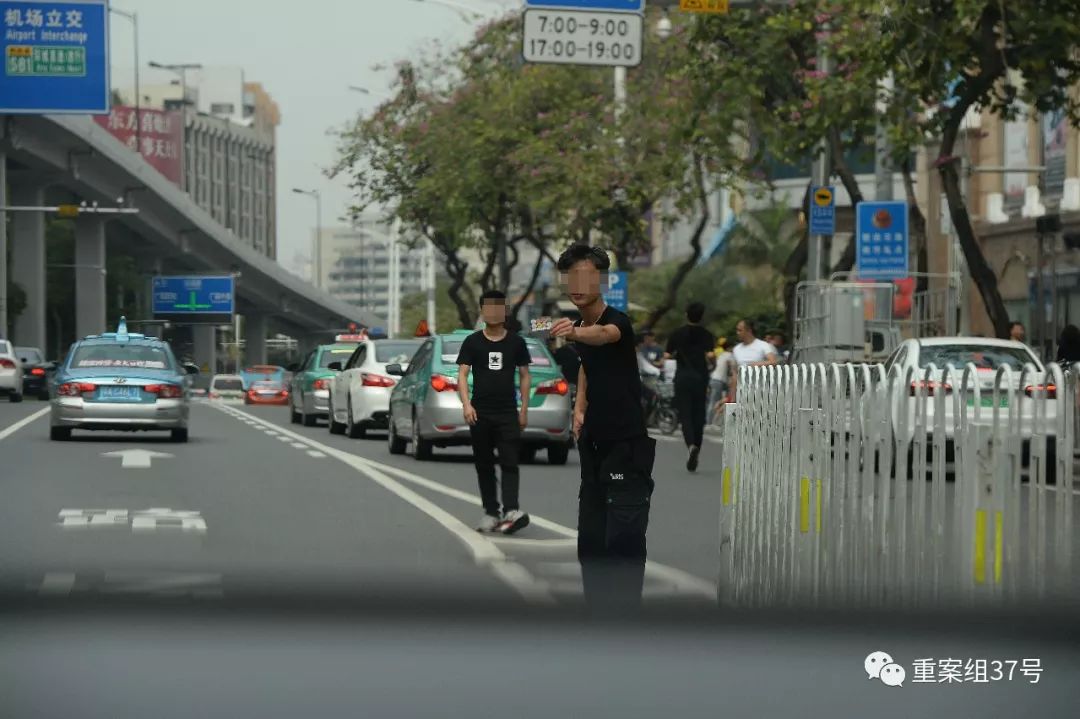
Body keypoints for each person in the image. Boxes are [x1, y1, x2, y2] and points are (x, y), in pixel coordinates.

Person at [550, 244, 654, 609]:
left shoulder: (617, 321)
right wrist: (579, 406)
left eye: (586, 276)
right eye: (571, 277)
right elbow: (586, 365)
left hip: (625, 446)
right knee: (591, 543)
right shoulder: (580, 326)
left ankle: (625, 620)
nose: (577, 285)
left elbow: (604, 336)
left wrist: (575, 335)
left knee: (623, 541)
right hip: (593, 447)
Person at [456, 290, 532, 535]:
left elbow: (525, 375)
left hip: (508, 412)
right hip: (480, 413)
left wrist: (523, 409)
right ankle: (491, 512)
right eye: (489, 307)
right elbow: (462, 374)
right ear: (482, 311)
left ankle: (511, 510)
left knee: (510, 461)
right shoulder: (472, 342)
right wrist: (466, 404)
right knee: (484, 464)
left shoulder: (517, 342)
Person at [665, 302, 715, 472]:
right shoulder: (707, 335)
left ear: (686, 314)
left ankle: (691, 445)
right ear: (701, 316)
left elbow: (667, 355)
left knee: (685, 414)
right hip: (700, 377)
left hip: (682, 377)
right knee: (698, 414)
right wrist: (712, 364)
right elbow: (711, 355)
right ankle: (697, 448)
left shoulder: (676, 334)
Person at [731, 320, 778, 398]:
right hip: (743, 393)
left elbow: (773, 362)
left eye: (740, 330)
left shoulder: (763, 345)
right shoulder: (736, 349)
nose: (737, 333)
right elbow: (734, 374)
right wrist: (732, 397)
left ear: (749, 331)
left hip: (762, 392)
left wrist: (756, 365)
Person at [709, 338, 734, 426]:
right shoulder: (729, 355)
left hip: (714, 378)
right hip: (719, 380)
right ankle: (711, 422)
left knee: (716, 401)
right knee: (717, 400)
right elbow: (731, 367)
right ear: (729, 347)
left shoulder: (720, 354)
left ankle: (712, 420)